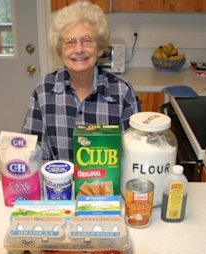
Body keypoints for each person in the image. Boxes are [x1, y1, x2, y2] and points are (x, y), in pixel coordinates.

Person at [22, 0, 139, 161]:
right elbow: (33, 155)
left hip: (107, 185)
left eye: (87, 41)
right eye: (70, 42)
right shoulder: (43, 91)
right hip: (58, 184)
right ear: (59, 50)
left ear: (100, 48)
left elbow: (134, 157)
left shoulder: (122, 92)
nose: (79, 50)